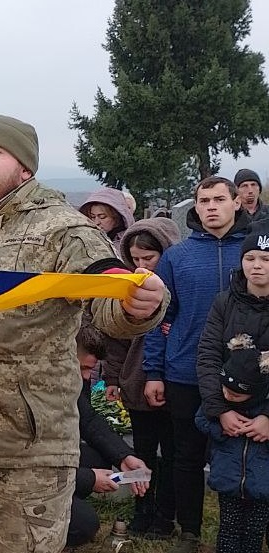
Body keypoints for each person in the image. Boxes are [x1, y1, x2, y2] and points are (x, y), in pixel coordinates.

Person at [0, 115, 168, 553]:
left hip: (25, 448)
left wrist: (137, 305)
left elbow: (107, 288)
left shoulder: (62, 229)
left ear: (25, 168)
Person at [143, 176, 250, 553]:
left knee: (240, 455)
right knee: (185, 456)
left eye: (219, 199)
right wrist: (154, 371)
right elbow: (157, 317)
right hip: (185, 371)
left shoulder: (252, 253)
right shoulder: (177, 256)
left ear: (237, 202)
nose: (211, 207)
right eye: (204, 200)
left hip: (245, 374)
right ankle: (189, 530)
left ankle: (238, 533)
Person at [102, 217, 182, 538]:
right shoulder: (128, 288)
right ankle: (142, 510)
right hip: (135, 385)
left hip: (171, 383)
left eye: (148, 258)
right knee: (142, 453)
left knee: (172, 453)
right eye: (134, 259)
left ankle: (166, 515)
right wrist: (111, 379)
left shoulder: (176, 287)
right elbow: (114, 339)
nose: (141, 265)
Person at [68, 321, 149, 547]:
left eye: (90, 370)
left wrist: (124, 456)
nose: (86, 377)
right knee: (85, 525)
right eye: (83, 368)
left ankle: (64, 500)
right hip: (24, 473)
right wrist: (89, 479)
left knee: (98, 457)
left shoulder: (75, 380)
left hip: (53, 466)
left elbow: (89, 419)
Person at [195, 336, 269, 553]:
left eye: (235, 394)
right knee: (228, 528)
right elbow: (200, 419)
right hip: (228, 481)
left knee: (254, 532)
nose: (227, 395)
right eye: (224, 389)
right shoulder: (220, 404)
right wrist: (222, 428)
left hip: (262, 486)